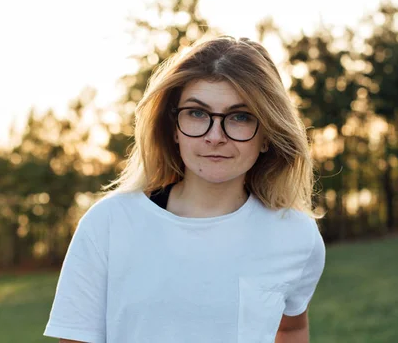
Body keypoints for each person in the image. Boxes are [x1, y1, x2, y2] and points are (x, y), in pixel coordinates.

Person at [43, 36, 326, 343]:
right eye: (197, 113)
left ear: (268, 134)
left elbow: (290, 328)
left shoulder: (296, 235)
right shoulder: (108, 225)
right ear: (173, 128)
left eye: (240, 117)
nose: (215, 136)